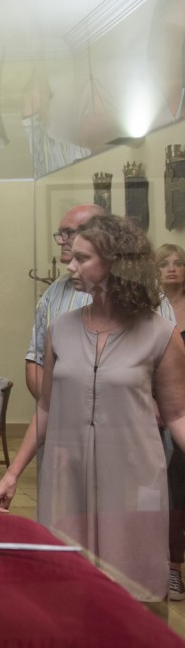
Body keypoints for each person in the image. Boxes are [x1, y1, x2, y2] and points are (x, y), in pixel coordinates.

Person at [0, 215, 185, 603]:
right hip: (68, 477)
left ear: (116, 262)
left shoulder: (159, 333)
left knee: (132, 587)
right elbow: (45, 408)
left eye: (82, 258)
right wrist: (12, 474)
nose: (70, 266)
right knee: (67, 585)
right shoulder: (59, 329)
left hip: (132, 478)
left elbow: (178, 415)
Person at [24, 203, 175, 398]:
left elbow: (169, 371)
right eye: (59, 234)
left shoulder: (144, 292)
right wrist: (56, 407)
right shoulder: (53, 293)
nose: (61, 241)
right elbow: (36, 360)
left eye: (68, 233)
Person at [158, 243, 185, 600]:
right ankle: (172, 567)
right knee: (170, 488)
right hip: (160, 409)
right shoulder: (150, 308)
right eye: (165, 263)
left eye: (179, 263)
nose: (173, 268)